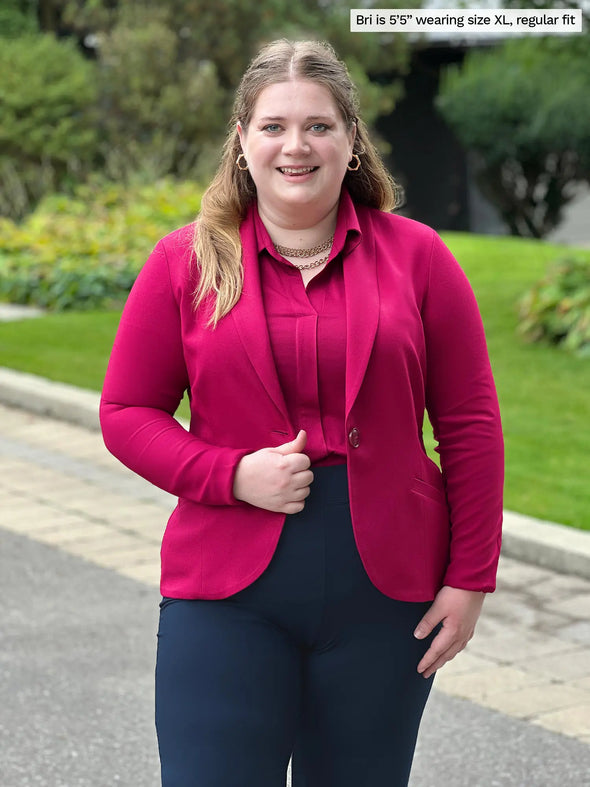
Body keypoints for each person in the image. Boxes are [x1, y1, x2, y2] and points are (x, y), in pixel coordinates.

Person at [100, 38, 504, 787]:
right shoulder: (183, 263)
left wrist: (470, 575)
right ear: (244, 141)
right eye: (274, 125)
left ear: (351, 140)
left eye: (319, 125)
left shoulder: (419, 259)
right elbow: (126, 411)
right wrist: (230, 473)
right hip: (225, 591)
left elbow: (471, 423)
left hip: (387, 597)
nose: (297, 145)